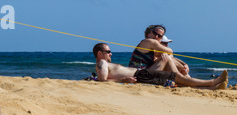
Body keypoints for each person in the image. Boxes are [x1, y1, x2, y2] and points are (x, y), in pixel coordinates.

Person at [93, 43, 228, 90]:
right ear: (100, 53)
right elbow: (103, 81)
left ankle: (210, 87)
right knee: (176, 77)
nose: (111, 53)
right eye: (108, 51)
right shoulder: (101, 63)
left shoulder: (105, 63)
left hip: (142, 75)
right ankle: (213, 81)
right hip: (140, 75)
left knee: (176, 79)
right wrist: (124, 80)